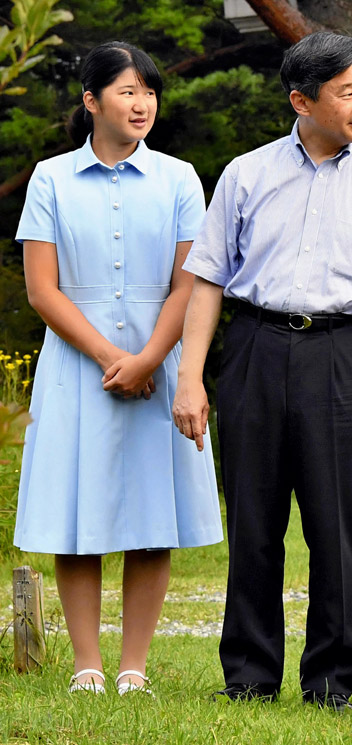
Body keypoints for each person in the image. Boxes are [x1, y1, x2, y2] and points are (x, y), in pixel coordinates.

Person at [172, 31, 352, 710]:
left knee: (334, 527)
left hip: (341, 353)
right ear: (302, 100)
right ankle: (250, 676)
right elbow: (206, 280)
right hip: (255, 350)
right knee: (255, 524)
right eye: (347, 91)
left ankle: (330, 682)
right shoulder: (246, 174)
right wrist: (190, 376)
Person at [14, 41, 223, 696]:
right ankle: (87, 665)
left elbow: (189, 281)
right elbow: (42, 290)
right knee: (76, 515)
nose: (141, 104)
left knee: (149, 511)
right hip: (78, 365)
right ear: (91, 100)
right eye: (128, 91)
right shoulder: (49, 178)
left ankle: (133, 665)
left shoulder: (180, 178)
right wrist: (111, 357)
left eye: (149, 92)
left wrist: (152, 358)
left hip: (161, 361)